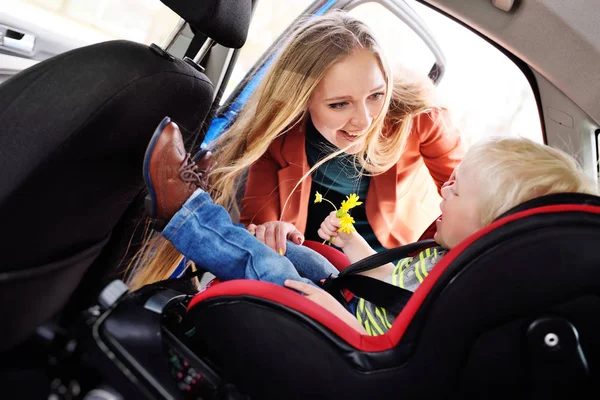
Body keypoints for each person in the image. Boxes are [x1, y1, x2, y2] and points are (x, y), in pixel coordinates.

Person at [135, 119, 598, 336]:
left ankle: (187, 212)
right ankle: (212, 230)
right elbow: (386, 288)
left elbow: (400, 344)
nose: (445, 189)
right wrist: (352, 241)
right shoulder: (440, 257)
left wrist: (337, 319)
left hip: (346, 336)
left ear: (490, 231)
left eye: (458, 189)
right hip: (350, 305)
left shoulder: (458, 288)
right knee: (310, 257)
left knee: (273, 270)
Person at [133, 11, 462, 289]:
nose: (363, 120)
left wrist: (419, 271)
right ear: (303, 99)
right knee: (280, 259)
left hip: (389, 276)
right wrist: (274, 230)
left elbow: (476, 207)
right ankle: (186, 208)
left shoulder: (423, 120)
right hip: (316, 265)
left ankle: (187, 209)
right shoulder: (279, 138)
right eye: (339, 104)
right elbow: (261, 229)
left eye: (376, 95)